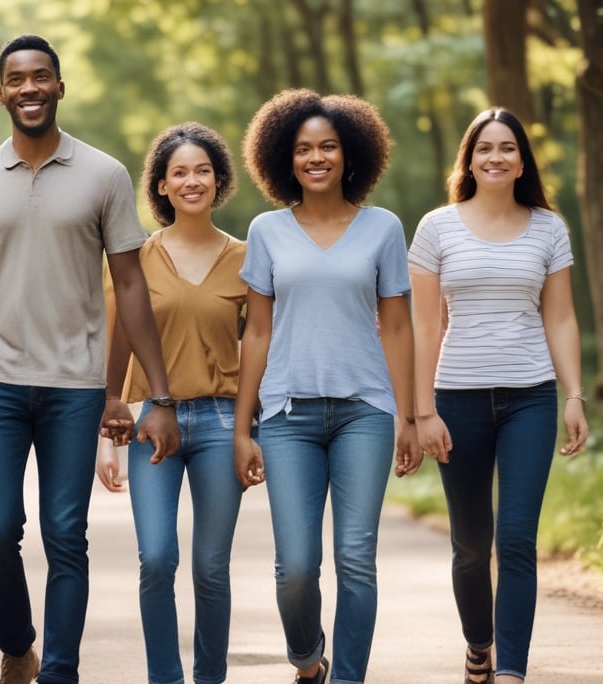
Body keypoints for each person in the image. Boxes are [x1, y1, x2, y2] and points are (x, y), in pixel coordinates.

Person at [0, 34, 180, 684]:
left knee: (66, 534)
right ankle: (17, 644)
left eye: (41, 76)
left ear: (59, 87)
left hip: (76, 384)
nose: (29, 88)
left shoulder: (104, 175)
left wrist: (153, 391)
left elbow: (131, 285)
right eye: (16, 79)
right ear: (0, 93)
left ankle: (59, 673)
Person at [233, 89, 421, 684]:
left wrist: (410, 416)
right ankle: (308, 658)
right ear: (283, 160)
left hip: (364, 411)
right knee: (295, 567)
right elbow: (256, 332)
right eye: (304, 149)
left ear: (350, 154)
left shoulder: (383, 228)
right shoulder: (266, 230)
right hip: (287, 414)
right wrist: (243, 428)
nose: (317, 158)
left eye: (329, 147)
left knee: (356, 560)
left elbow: (396, 326)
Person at [408, 107, 588, 684]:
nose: (496, 157)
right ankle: (478, 646)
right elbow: (425, 326)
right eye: (484, 148)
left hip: (530, 398)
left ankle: (511, 670)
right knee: (470, 544)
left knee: (515, 538)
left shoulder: (548, 228)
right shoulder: (437, 227)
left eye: (507, 148)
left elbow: (560, 319)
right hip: (455, 401)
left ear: (521, 161)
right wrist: (422, 410)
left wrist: (574, 395)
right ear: (469, 159)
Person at [96, 122, 245, 684]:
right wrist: (105, 435)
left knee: (211, 567)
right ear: (160, 186)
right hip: (149, 427)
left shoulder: (246, 258)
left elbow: (261, 348)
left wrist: (251, 430)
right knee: (157, 559)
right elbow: (114, 341)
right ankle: (166, 677)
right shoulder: (134, 258)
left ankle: (210, 677)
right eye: (179, 172)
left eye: (202, 170)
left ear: (218, 179)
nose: (191, 180)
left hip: (221, 418)